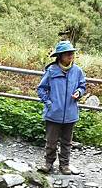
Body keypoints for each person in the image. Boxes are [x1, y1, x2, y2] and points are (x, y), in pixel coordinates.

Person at [37, 40, 86, 175]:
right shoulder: (52, 70)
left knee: (67, 142)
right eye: (67, 54)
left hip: (70, 113)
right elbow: (41, 89)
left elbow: (82, 86)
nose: (70, 56)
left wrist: (79, 92)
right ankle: (48, 163)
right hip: (53, 113)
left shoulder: (77, 71)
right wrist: (49, 103)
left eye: (72, 53)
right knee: (51, 141)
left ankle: (64, 165)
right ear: (60, 56)